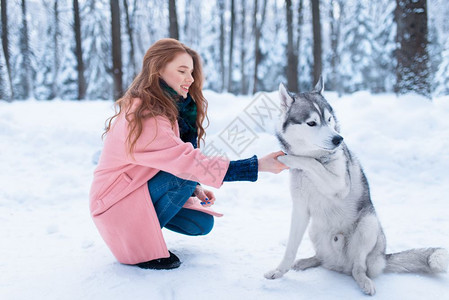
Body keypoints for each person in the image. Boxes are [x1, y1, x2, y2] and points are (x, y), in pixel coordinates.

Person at [89, 38, 288, 270]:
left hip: (133, 190)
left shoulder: (169, 109)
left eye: (191, 72)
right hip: (115, 203)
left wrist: (195, 187)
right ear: (158, 70)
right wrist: (257, 166)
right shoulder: (145, 114)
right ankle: (141, 250)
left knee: (201, 223)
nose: (190, 79)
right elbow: (186, 162)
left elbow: (170, 157)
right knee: (185, 174)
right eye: (182, 71)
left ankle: (145, 233)